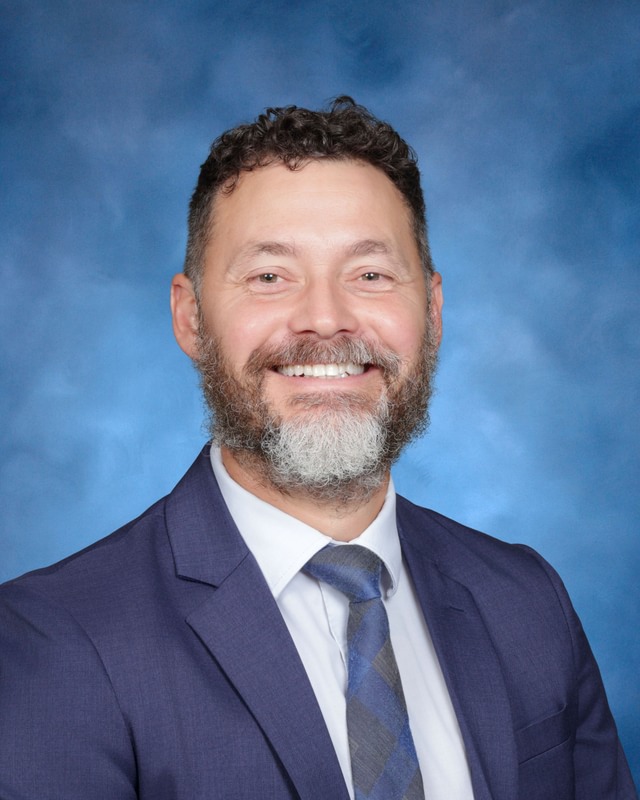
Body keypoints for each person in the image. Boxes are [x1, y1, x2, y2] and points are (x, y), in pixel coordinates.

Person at [0, 98, 635, 800]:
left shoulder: (526, 601)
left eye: (370, 274)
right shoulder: (53, 642)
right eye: (270, 276)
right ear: (189, 317)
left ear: (432, 310)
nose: (326, 319)